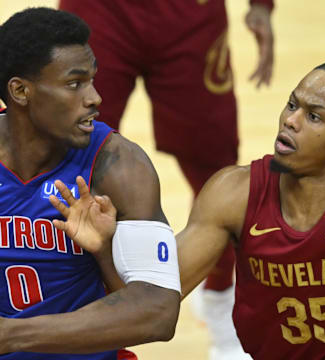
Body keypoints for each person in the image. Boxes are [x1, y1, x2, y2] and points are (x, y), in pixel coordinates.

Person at [2, 59, 325, 359]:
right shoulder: (234, 193)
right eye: (293, 104)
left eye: (314, 117)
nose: (291, 120)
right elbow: (152, 306)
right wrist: (106, 252)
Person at [57, 1, 274, 358]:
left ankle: (221, 302)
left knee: (214, 167)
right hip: (100, 11)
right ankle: (84, 311)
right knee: (78, 163)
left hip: (189, 14)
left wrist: (261, 5)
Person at [0, 7, 181, 359]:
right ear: (21, 91)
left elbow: (159, 311)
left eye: (92, 80)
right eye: (74, 83)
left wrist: (105, 255)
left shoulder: (118, 163)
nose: (95, 98)